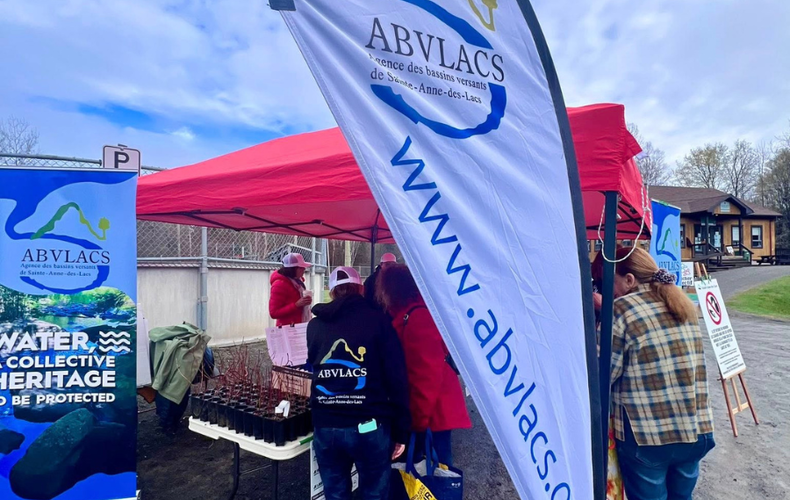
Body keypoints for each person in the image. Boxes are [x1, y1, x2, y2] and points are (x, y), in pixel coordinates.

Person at [608, 247, 715, 500]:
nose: (610, 290)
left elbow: (604, 375)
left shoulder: (622, 309)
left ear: (629, 280)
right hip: (695, 430)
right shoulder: (682, 304)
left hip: (648, 437)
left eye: (611, 282)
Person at [307, 266, 410, 500]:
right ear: (361, 288)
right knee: (374, 493)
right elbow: (397, 378)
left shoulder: (314, 326)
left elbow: (315, 366)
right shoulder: (379, 322)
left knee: (334, 494)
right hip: (369, 426)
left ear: (331, 292)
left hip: (326, 426)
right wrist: (402, 430)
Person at [377, 264, 471, 466]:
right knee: (431, 466)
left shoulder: (417, 316)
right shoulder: (413, 312)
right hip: (430, 409)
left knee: (436, 470)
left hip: (431, 412)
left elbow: (425, 377)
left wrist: (415, 422)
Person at [269, 253, 313, 326]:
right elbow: (273, 313)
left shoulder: (298, 282)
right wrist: (296, 305)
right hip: (288, 330)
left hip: (300, 326)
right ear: (293, 269)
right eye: (301, 267)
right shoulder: (279, 285)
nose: (304, 269)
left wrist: (305, 302)